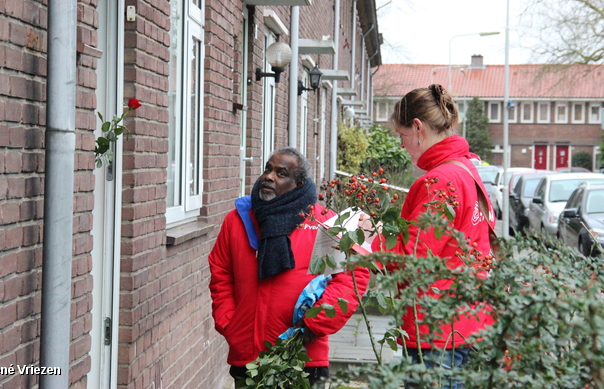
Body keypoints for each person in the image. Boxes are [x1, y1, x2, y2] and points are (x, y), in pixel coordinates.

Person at [208, 147, 370, 388]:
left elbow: (351, 278)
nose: (269, 177)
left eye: (281, 173)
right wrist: (228, 322)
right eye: (268, 169)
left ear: (298, 183)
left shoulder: (325, 223)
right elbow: (221, 271)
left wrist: (314, 325)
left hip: (304, 358)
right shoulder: (238, 219)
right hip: (248, 354)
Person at [380, 84, 495, 387]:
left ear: (417, 128)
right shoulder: (465, 169)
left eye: (401, 136)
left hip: (437, 329)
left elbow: (414, 260)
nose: (402, 146)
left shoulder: (441, 180)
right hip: (469, 321)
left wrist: (367, 240)